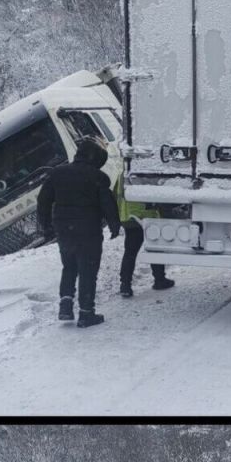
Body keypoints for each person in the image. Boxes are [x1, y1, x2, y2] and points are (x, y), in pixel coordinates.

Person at [37, 137, 120, 328]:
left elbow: (43, 201)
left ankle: (65, 306)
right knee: (88, 270)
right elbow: (107, 203)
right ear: (95, 157)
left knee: (69, 267)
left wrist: (46, 226)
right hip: (88, 230)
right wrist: (114, 225)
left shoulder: (57, 173)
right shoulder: (98, 177)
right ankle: (86, 313)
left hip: (63, 229)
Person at [114, 173, 174, 297]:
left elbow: (116, 194)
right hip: (146, 217)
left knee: (130, 252)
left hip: (128, 217)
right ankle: (159, 279)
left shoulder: (122, 175)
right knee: (155, 248)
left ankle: (125, 285)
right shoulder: (143, 173)